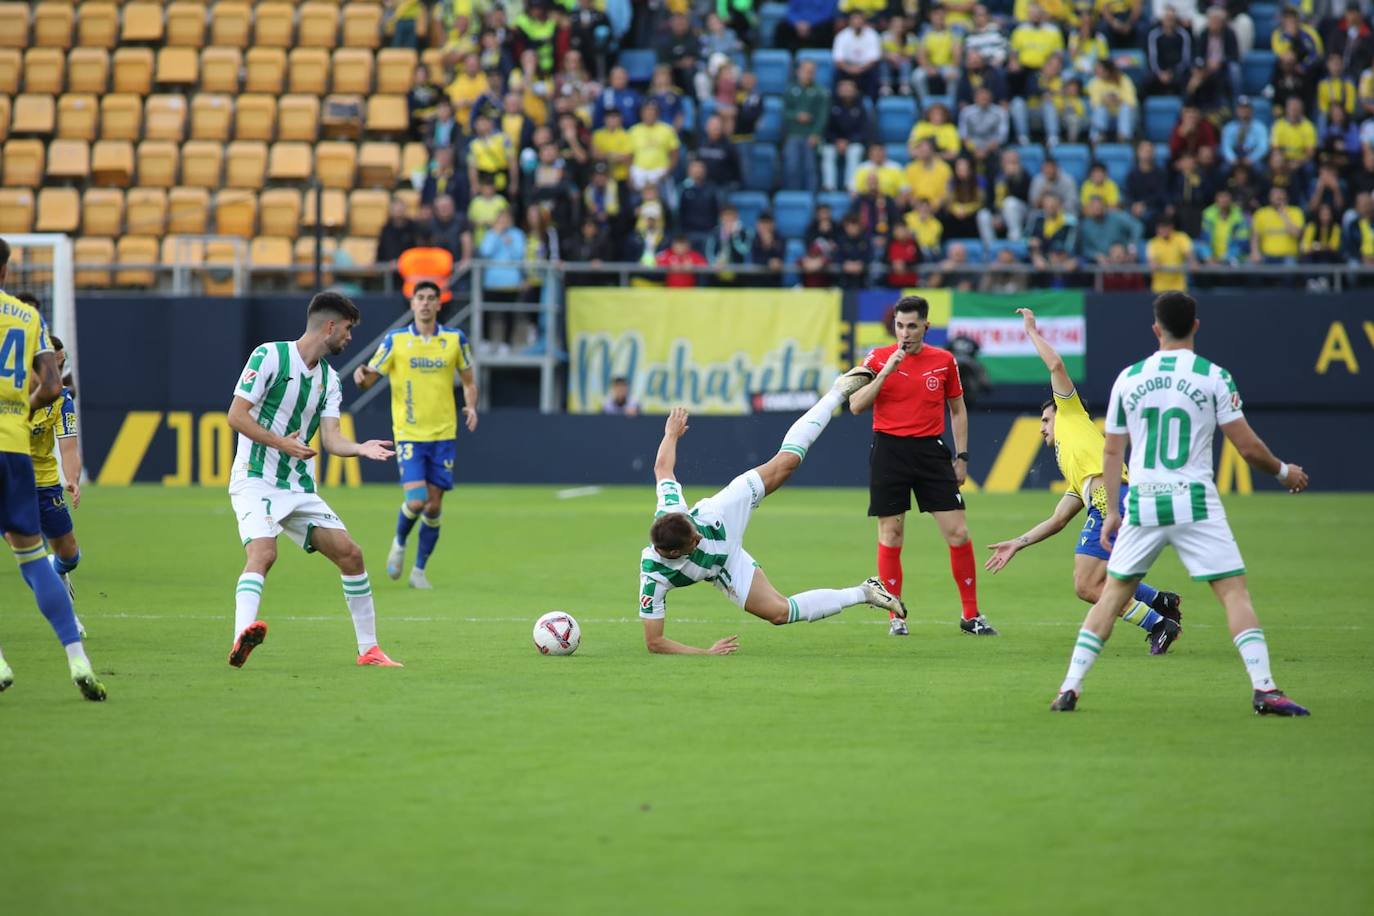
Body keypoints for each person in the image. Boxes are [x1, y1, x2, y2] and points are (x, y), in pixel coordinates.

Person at [1050, 292, 1311, 716]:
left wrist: (1113, 510)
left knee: (1111, 595)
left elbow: (1113, 453)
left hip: (1144, 503)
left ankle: (1069, 688)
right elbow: (1247, 448)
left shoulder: (1129, 378)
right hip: (1194, 501)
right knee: (1233, 594)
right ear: (1196, 326)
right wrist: (1284, 472)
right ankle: (1265, 689)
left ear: (1156, 329)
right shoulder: (1213, 376)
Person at [638, 395, 908, 655]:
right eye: (693, 541)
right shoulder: (654, 578)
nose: (698, 537)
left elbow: (662, 468)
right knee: (780, 613)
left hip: (720, 514)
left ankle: (838, 391)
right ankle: (865, 592)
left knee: (786, 463)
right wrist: (705, 653)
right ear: (673, 553)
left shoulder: (671, 511)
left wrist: (671, 434)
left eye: (694, 530)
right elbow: (655, 642)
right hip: (722, 565)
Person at [985, 308, 1184, 655]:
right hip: (1111, 498)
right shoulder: (1075, 467)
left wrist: (1031, 332)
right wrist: (1018, 542)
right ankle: (1160, 601)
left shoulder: (1071, 414)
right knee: (1104, 576)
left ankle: (1158, 623)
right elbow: (1058, 520)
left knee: (1087, 584)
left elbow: (1056, 368)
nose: (1043, 426)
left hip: (1114, 498)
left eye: (1046, 419)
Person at [226, 293, 401, 669]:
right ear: (330, 326)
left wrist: (359, 448)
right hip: (255, 480)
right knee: (264, 553)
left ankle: (369, 650)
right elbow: (236, 416)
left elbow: (332, 439)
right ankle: (242, 635)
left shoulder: (328, 380)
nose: (350, 339)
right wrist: (280, 443)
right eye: (349, 330)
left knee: (351, 555)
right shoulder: (269, 356)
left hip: (298, 488)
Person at [843, 296, 998, 638]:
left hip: (931, 452)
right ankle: (895, 616)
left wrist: (963, 456)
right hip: (889, 451)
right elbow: (855, 405)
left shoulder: (944, 361)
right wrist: (886, 371)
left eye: (912, 325)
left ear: (926, 326)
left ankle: (970, 615)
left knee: (958, 533)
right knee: (891, 535)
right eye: (900, 325)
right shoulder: (877, 358)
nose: (905, 333)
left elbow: (958, 410)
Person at [0, 245, 103, 699]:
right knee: (32, 560)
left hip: (35, 469)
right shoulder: (26, 317)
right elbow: (52, 385)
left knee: (61, 551)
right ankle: (77, 657)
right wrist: (20, 409)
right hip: (15, 451)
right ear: (6, 269)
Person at [354, 283, 477, 589]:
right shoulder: (396, 341)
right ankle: (398, 542)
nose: (425, 303)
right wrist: (361, 377)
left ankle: (419, 571)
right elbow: (370, 379)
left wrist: (471, 406)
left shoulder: (454, 340)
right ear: (412, 304)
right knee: (418, 500)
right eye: (420, 298)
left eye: (430, 299)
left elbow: (469, 379)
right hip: (409, 433)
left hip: (444, 433)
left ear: (438, 305)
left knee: (434, 506)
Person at [25, 329, 85, 635]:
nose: (58, 373)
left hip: (45, 483)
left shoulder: (62, 399)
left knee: (69, 555)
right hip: (10, 479)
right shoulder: (11, 393)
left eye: (61, 367)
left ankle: (56, 574)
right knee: (27, 552)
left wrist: (72, 478)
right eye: (53, 366)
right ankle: (66, 620)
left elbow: (69, 446)